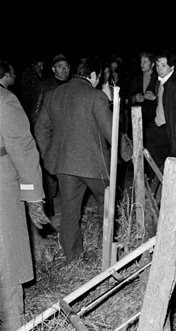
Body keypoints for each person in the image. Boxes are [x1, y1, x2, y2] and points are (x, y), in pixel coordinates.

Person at [34, 57, 113, 261]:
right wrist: (127, 153)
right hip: (95, 164)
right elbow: (111, 131)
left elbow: (40, 128)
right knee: (108, 205)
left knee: (70, 211)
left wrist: (49, 154)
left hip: (64, 165)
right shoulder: (96, 96)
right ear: (93, 76)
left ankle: (73, 257)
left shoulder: (53, 95)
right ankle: (107, 250)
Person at [0, 60, 51, 331]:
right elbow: (23, 150)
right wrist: (34, 199)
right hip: (2, 192)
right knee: (7, 262)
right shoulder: (5, 102)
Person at [30, 53, 71, 217]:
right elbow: (36, 113)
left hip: (68, 134)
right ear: (53, 69)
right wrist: (41, 140)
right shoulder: (44, 86)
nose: (64, 70)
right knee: (50, 172)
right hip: (51, 136)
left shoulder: (73, 85)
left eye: (67, 67)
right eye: (60, 67)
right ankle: (50, 207)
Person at [127, 51, 166, 174]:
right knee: (139, 149)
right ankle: (142, 175)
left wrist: (154, 98)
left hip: (154, 123)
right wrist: (134, 98)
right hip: (138, 121)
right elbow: (126, 100)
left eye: (145, 62)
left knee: (154, 153)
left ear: (152, 64)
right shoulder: (136, 79)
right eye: (141, 62)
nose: (142, 64)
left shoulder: (158, 79)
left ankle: (156, 175)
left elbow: (165, 101)